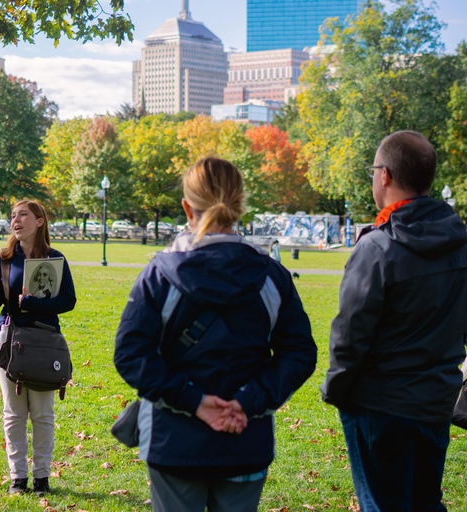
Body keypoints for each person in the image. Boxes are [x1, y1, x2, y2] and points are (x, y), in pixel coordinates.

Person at [114, 156, 316, 512]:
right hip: (244, 438)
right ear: (239, 206)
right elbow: (298, 355)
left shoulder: (158, 275)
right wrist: (246, 402)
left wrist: (195, 401)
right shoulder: (273, 277)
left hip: (174, 442)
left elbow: (132, 355)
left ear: (186, 208)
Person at [321, 130, 467, 512]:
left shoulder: (377, 247)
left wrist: (336, 388)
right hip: (435, 400)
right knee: (424, 503)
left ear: (384, 176)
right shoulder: (460, 241)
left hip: (380, 406)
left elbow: (350, 333)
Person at [0, 200, 76, 495]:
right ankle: (18, 479)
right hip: (9, 341)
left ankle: (42, 478)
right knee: (13, 413)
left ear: (39, 222)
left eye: (23, 214)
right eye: (13, 216)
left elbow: (68, 301)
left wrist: (33, 303)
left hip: (45, 343)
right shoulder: (4, 257)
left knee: (43, 414)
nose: (16, 220)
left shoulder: (56, 259)